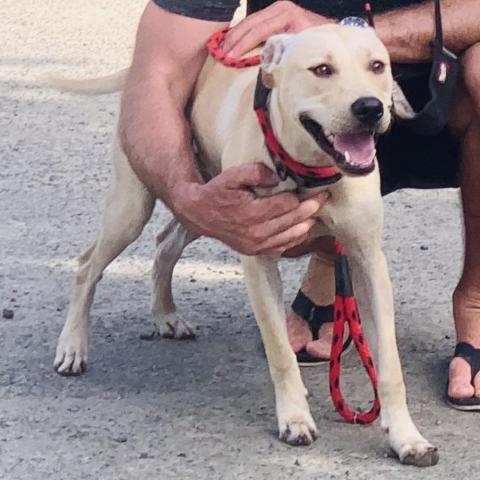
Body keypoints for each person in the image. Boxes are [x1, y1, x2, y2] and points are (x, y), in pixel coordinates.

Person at [119, 0, 480, 408]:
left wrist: (350, 30)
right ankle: (326, 261)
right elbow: (158, 72)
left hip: (447, 95)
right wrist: (188, 195)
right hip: (301, 120)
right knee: (280, 225)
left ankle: (476, 301)